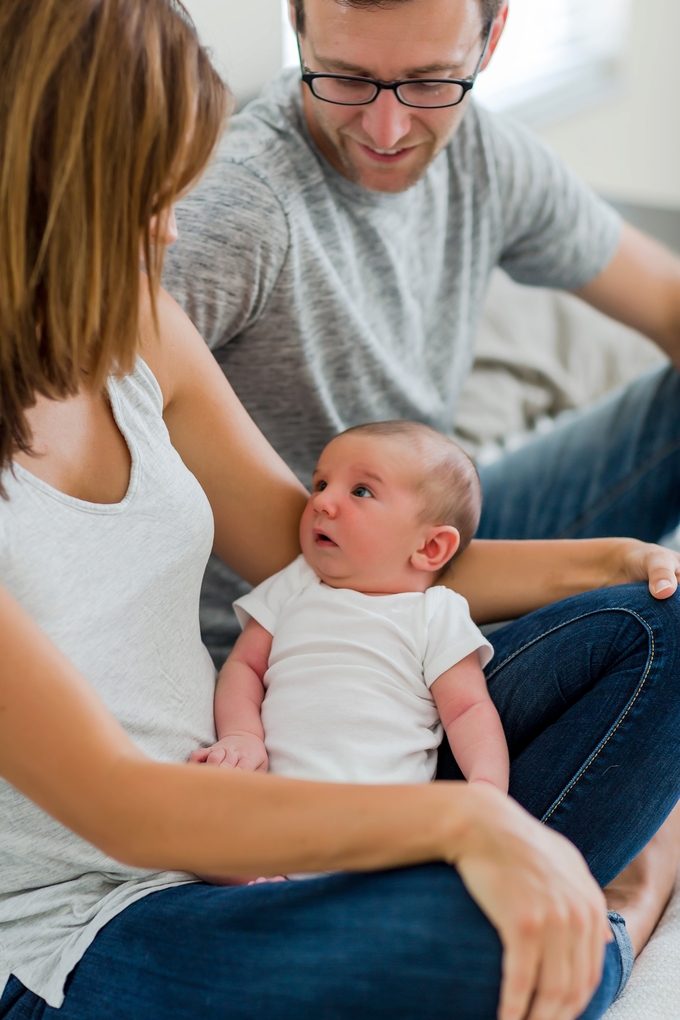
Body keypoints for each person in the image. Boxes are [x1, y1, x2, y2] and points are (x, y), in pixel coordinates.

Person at [2, 3, 680, 1020]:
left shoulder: (136, 324)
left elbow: (319, 545)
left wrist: (608, 564)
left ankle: (538, 896)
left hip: (276, 789)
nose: (171, 229)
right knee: (509, 958)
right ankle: (618, 896)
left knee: (661, 624)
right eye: (144, 195)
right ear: (44, 183)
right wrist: (458, 826)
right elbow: (123, 805)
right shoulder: (218, 235)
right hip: (98, 921)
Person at [162, 0, 680, 668]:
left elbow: (667, 298)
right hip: (311, 638)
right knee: (667, 624)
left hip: (423, 537)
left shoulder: (484, 156)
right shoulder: (242, 212)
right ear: (297, 22)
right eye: (345, 78)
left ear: (491, 39)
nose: (387, 127)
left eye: (431, 83)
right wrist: (604, 564)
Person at [193, 422, 508, 793]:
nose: (321, 502)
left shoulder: (437, 613)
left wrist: (486, 786)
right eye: (321, 484)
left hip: (379, 816)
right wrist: (242, 735)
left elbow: (468, 709)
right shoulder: (296, 584)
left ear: (430, 548)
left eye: (361, 491)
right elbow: (244, 666)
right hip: (270, 800)